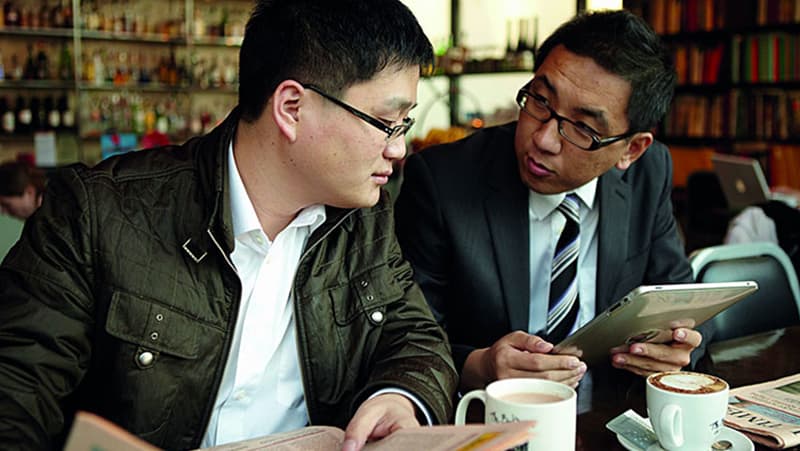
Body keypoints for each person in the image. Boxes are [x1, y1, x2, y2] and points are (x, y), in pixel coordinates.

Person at [0, 1, 457, 449]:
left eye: (405, 123)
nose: (398, 149)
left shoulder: (364, 219)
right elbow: (16, 394)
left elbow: (415, 336)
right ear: (292, 108)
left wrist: (400, 396)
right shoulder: (98, 213)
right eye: (384, 122)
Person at [394, 10, 706, 394]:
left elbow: (677, 302)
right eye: (540, 100)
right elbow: (404, 342)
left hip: (607, 421)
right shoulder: (444, 180)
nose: (543, 139)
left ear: (632, 149)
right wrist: (481, 365)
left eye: (583, 128)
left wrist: (677, 347)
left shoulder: (649, 172)